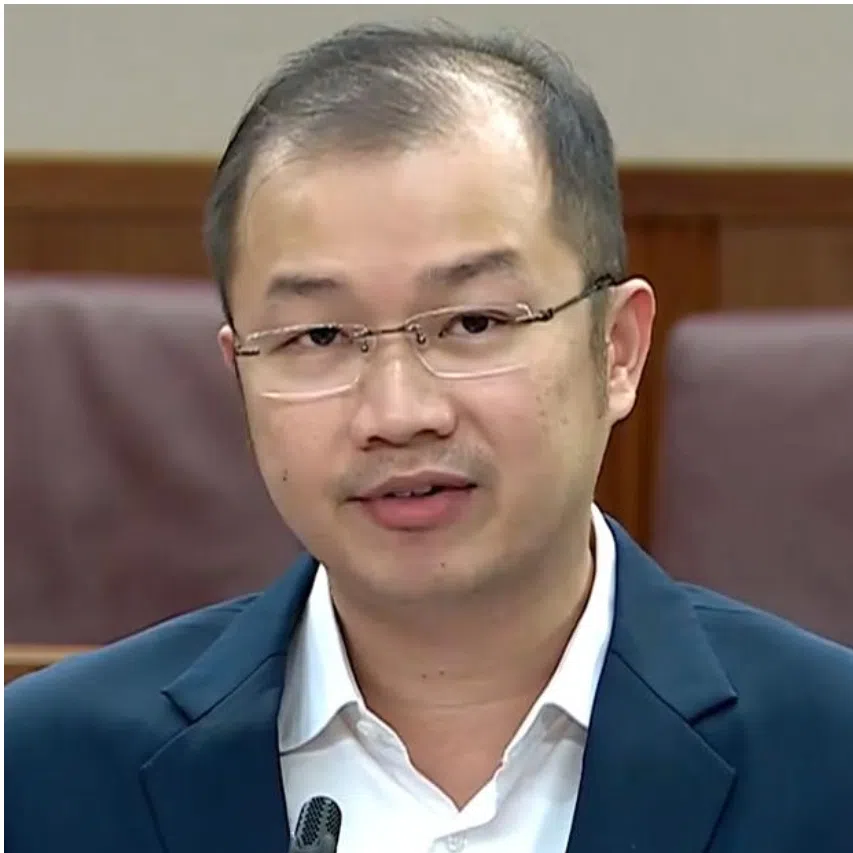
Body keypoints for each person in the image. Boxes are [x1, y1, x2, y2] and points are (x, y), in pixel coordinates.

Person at [6, 23, 853, 853]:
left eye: (474, 321)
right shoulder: (43, 772)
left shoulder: (829, 756)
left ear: (616, 350)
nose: (399, 411)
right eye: (319, 338)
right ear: (240, 377)